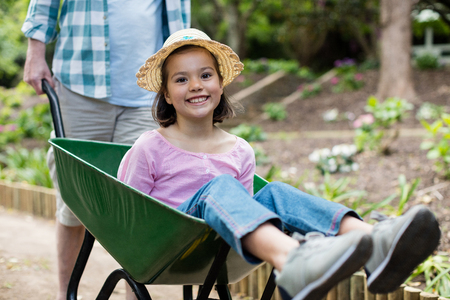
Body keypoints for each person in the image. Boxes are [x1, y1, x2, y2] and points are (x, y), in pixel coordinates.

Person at [118, 28, 441, 300]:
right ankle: (293, 259)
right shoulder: (151, 146)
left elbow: (243, 212)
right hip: (168, 245)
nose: (196, 85)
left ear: (220, 84)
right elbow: (128, 213)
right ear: (167, 95)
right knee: (218, 187)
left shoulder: (238, 150)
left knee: (276, 193)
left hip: (218, 251)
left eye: (205, 75)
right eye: (181, 79)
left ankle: (374, 242)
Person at [21, 0, 190, 299]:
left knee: (140, 207)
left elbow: (177, 13)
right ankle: (66, 295)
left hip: (146, 94)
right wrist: (35, 51)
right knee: (74, 199)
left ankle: (133, 296)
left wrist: (184, 70)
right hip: (79, 83)